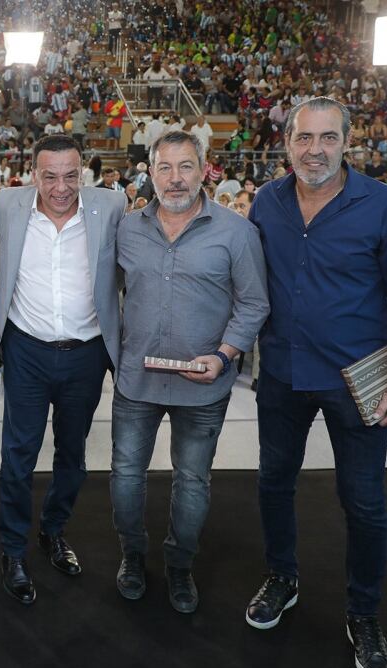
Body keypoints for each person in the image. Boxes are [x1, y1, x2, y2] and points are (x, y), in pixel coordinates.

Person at [246, 97, 387, 668]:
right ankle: (282, 577)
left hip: (359, 382)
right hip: (281, 372)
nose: (314, 149)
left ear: (347, 142)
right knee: (274, 482)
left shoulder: (384, 207)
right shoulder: (266, 203)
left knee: (365, 503)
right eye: (304, 138)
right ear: (287, 143)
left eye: (327, 138)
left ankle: (364, 613)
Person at [111, 130, 268, 613]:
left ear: (204, 170)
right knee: (125, 476)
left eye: (185, 167)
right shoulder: (127, 229)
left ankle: (180, 565)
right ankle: (132, 556)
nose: (175, 179)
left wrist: (223, 356)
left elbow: (255, 302)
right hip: (137, 382)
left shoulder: (236, 232)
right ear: (150, 171)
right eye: (164, 167)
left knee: (193, 480)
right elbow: (105, 291)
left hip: (205, 384)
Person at [0, 134, 125, 605]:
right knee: (18, 455)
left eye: (71, 175)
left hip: (86, 353)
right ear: (32, 174)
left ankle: (53, 530)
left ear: (83, 170)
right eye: (50, 176)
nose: (61, 187)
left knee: (73, 455)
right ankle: (13, 550)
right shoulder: (5, 205)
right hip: (26, 350)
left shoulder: (111, 205)